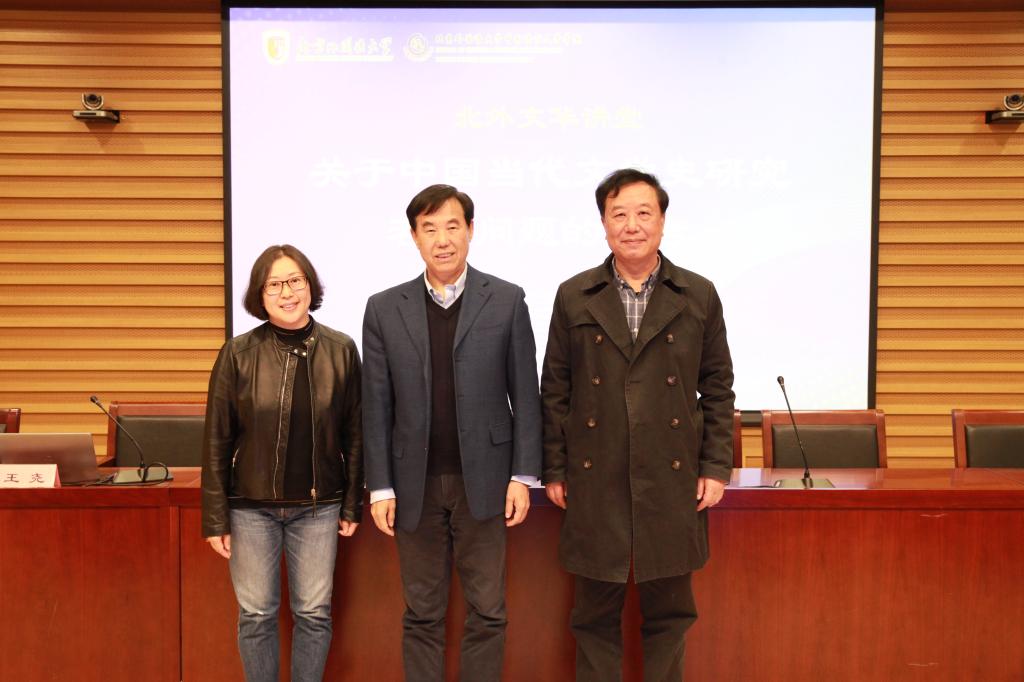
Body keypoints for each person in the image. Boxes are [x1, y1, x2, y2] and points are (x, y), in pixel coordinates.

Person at [541, 169, 735, 681]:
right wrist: (555, 468)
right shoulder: (574, 294)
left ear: (663, 221)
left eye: (643, 213)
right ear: (603, 223)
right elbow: (555, 390)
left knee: (670, 616)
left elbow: (718, 388)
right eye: (619, 214)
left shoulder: (697, 293)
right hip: (594, 475)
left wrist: (715, 467)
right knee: (593, 618)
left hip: (671, 478)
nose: (632, 225)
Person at [361, 184, 542, 681]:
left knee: (488, 610)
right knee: (422, 614)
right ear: (414, 237)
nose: (442, 240)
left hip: (486, 480)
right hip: (412, 484)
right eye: (429, 229)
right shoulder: (383, 308)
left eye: (452, 226)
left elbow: (526, 393)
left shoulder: (506, 299)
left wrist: (523, 475)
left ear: (470, 230)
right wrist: (380, 485)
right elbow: (375, 404)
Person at [201, 244, 363, 682]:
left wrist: (351, 504)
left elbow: (355, 434)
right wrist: (215, 517)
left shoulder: (341, 349)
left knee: (314, 613)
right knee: (256, 615)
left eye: (295, 280)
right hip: (250, 508)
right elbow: (216, 439)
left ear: (310, 285)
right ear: (260, 294)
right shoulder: (238, 353)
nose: (287, 293)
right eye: (274, 285)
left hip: (318, 507)